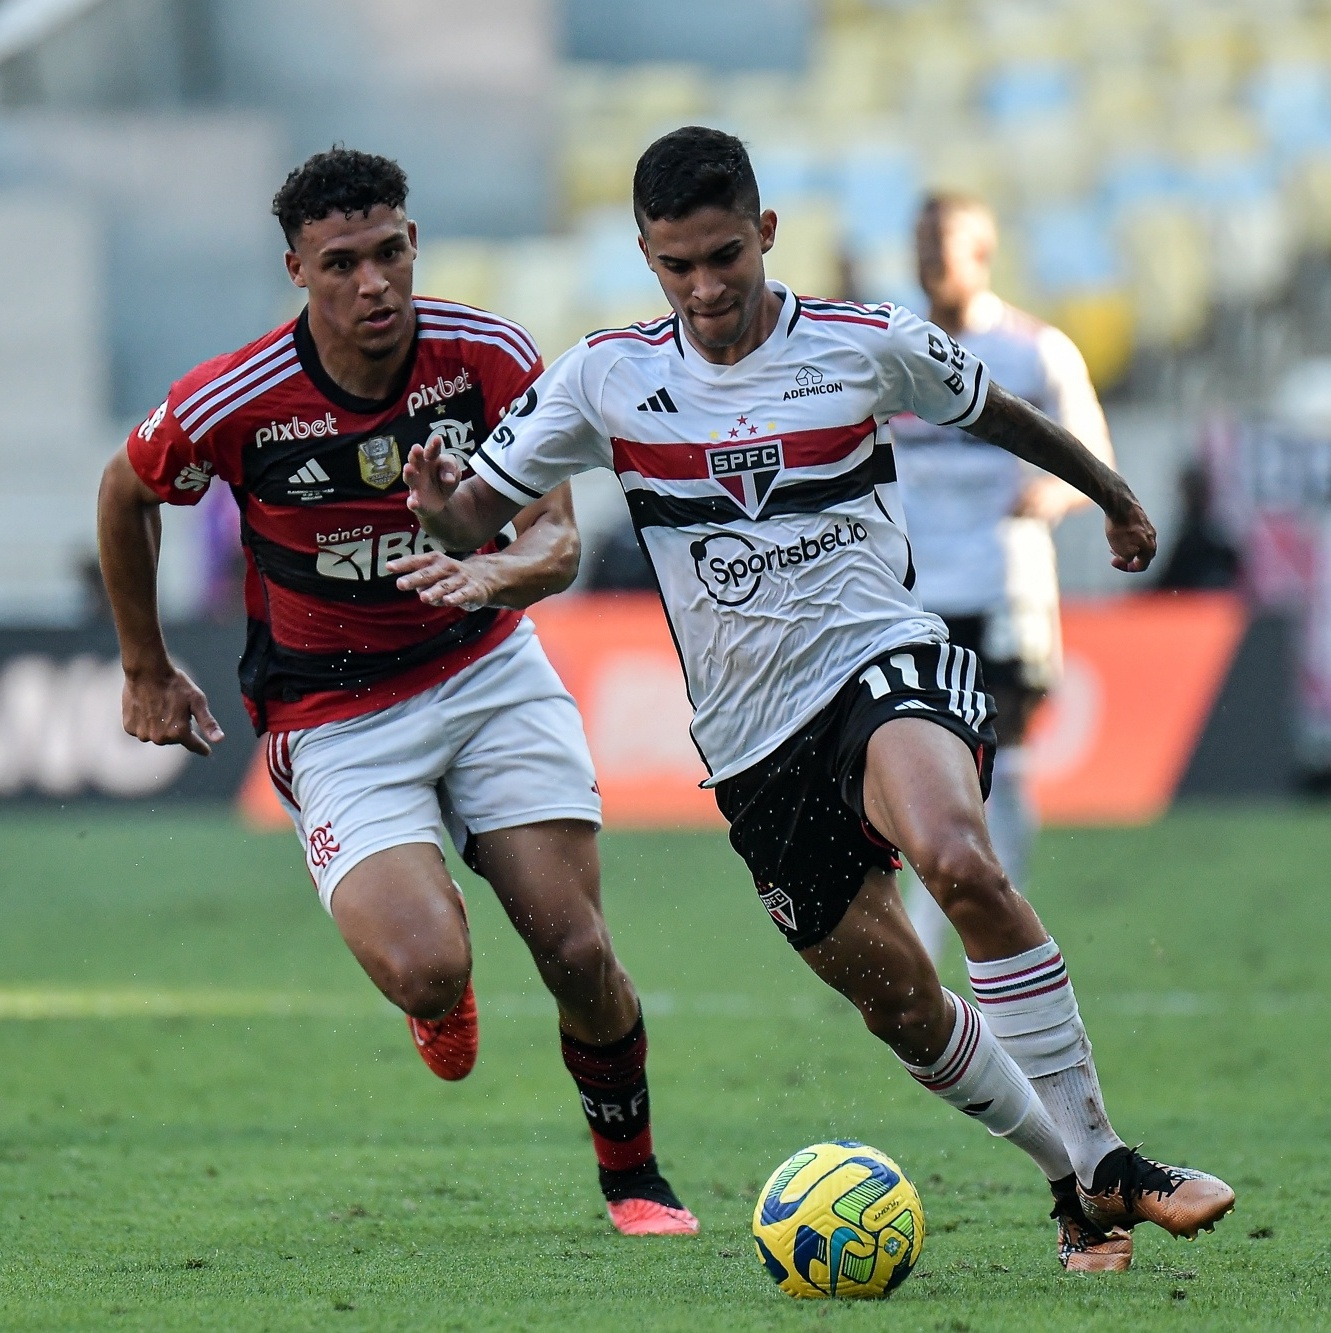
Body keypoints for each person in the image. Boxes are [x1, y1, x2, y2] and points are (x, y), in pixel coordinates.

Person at [394, 126, 1235, 1274]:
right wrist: (441, 505)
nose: (702, 289)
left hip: (879, 660)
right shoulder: (605, 376)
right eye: (675, 266)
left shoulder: (862, 342)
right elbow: (474, 516)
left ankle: (1110, 1153)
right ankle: (1071, 1181)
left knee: (958, 857)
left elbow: (991, 410)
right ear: (646, 255)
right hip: (748, 743)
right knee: (903, 1009)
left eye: (723, 258)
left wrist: (1114, 497)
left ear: (766, 234)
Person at [96, 147, 697, 1238]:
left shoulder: (487, 358)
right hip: (333, 714)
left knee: (574, 946)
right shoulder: (240, 398)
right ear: (297, 271)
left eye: (387, 253)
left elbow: (558, 542)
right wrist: (143, 664)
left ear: (413, 245)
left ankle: (635, 1177)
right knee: (424, 967)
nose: (371, 283)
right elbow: (124, 487)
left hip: (485, 672)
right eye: (340, 264)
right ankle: (440, 987)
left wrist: (484, 569)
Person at [891, 194, 1118, 958]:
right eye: (920, 244)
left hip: (1001, 578)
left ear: (980, 255)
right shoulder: (895, 351)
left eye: (941, 245)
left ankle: (1005, 904)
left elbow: (1092, 456)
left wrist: (1048, 491)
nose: (927, 260)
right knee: (920, 753)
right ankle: (928, 922)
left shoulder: (1034, 349)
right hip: (913, 592)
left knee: (1007, 742)